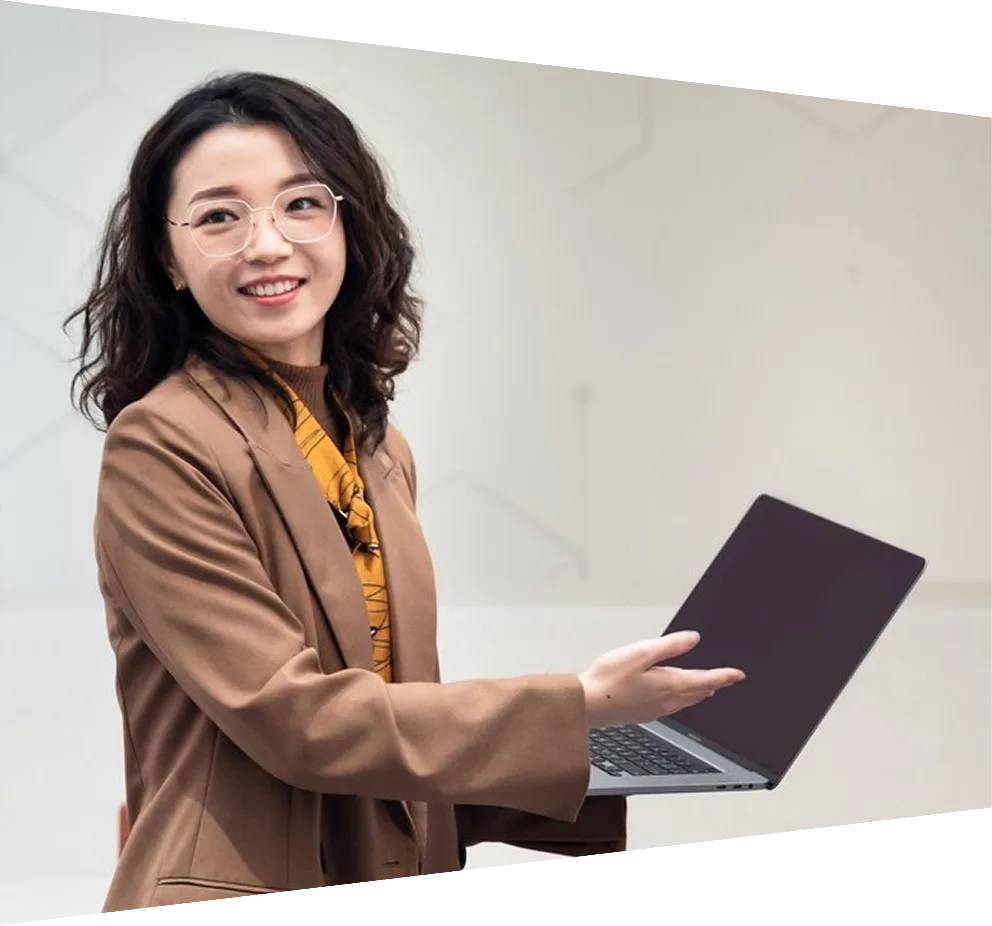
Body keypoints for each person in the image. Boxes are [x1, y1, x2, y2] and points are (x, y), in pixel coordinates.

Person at [65, 71, 745, 913]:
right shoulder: (162, 443)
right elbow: (296, 723)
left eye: (301, 204)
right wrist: (572, 708)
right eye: (218, 217)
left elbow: (388, 732)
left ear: (348, 221)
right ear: (169, 258)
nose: (267, 244)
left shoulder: (376, 447)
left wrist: (616, 742)